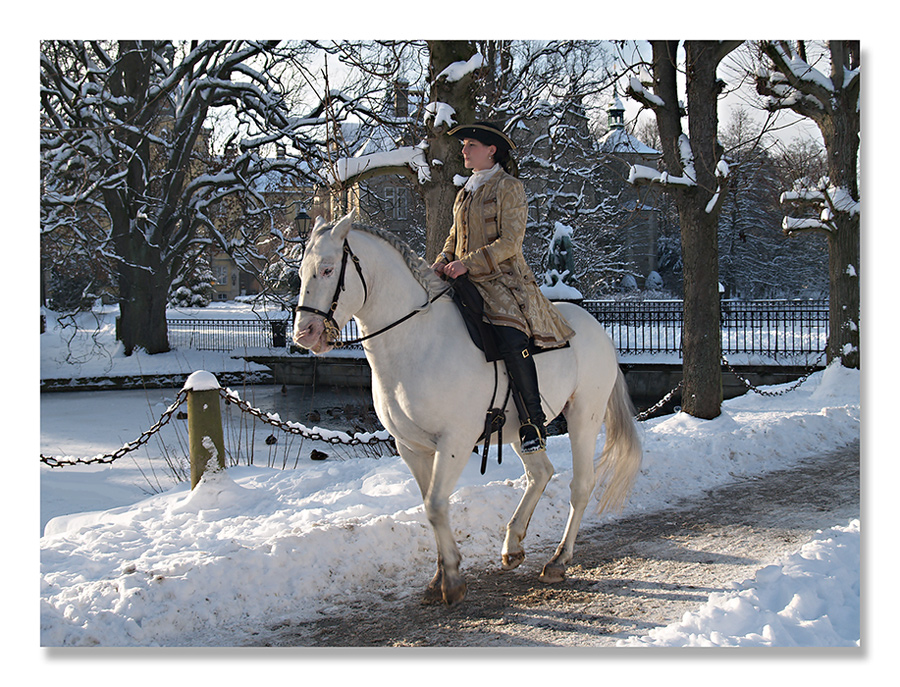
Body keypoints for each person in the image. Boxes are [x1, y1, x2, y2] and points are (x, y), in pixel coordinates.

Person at [432, 122, 575, 453]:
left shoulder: (509, 187)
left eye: (470, 145)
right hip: (460, 276)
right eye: (464, 145)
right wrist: (442, 259)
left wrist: (470, 262)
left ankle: (533, 424)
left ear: (490, 150)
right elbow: (454, 235)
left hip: (502, 281)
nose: (464, 150)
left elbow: (511, 242)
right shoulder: (465, 190)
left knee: (512, 339)